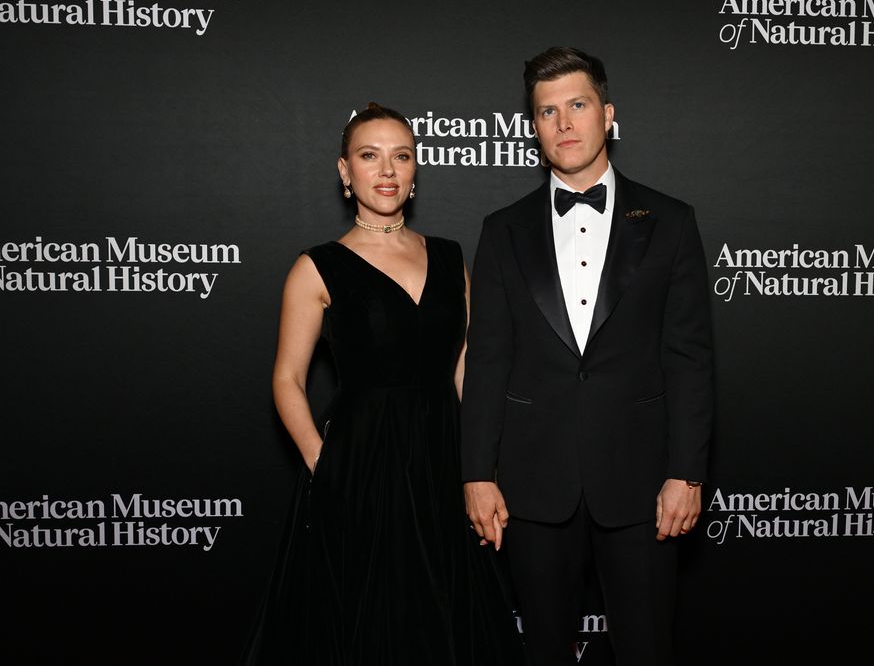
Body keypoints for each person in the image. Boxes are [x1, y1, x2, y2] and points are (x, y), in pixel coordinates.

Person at [241, 103, 528, 665]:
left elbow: (466, 368)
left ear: (416, 169)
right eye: (370, 157)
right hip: (361, 466)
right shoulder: (317, 267)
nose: (388, 170)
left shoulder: (450, 258)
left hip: (445, 463)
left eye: (401, 156)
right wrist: (326, 464)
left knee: (452, 619)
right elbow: (287, 378)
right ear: (345, 172)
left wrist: (482, 468)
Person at [461, 47, 715, 665]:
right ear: (534, 128)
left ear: (608, 114)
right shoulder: (503, 229)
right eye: (548, 112)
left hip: (642, 483)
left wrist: (687, 472)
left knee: (647, 649)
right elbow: (488, 359)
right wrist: (476, 473)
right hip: (532, 484)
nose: (564, 123)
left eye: (577, 105)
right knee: (543, 651)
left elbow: (689, 359)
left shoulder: (672, 222)